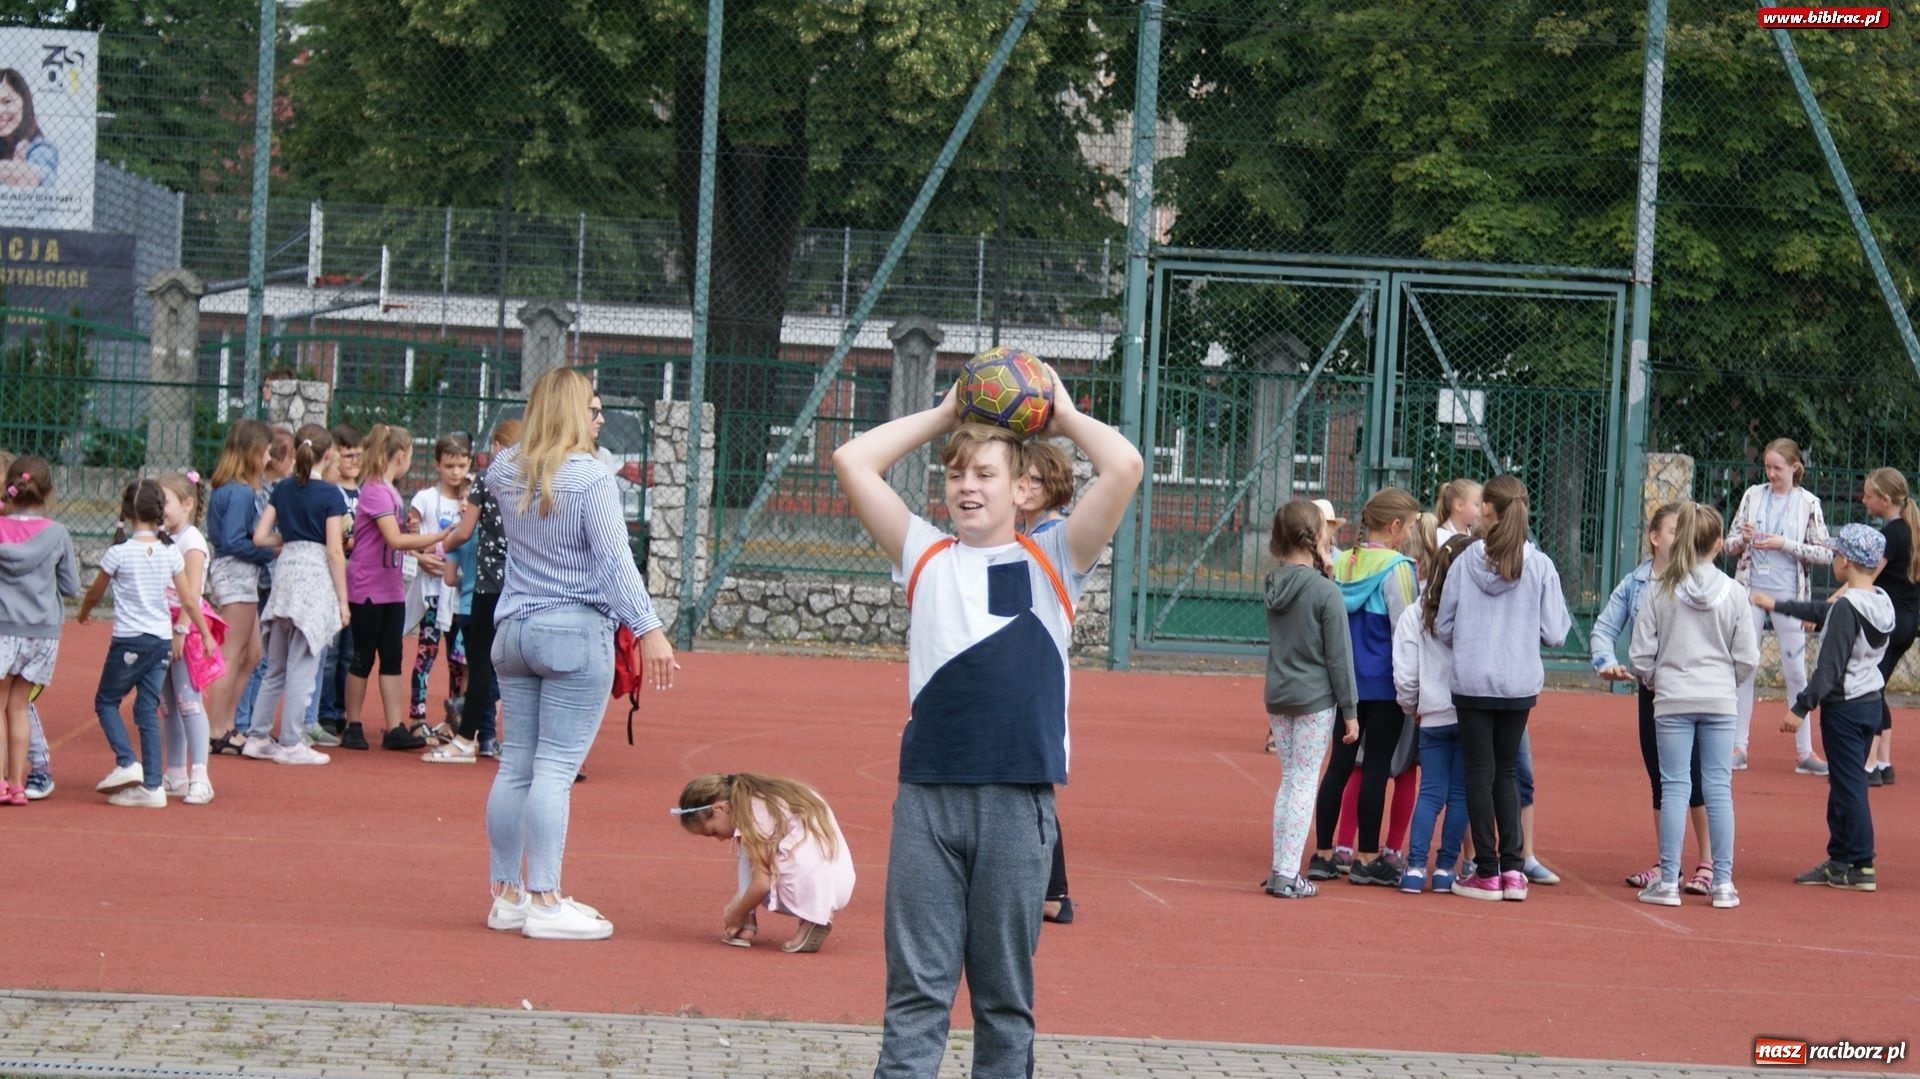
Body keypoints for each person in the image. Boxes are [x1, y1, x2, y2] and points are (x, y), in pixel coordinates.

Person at [833, 361, 1142, 1078]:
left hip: (1015, 800)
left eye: (986, 474)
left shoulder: (1057, 556)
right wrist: (947, 413)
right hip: (927, 801)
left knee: (1003, 1001)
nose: (966, 486)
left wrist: (1059, 413)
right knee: (916, 993)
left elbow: (1122, 465)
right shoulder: (923, 554)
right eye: (955, 475)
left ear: (1024, 486)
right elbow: (852, 459)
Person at [483, 368, 677, 942]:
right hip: (572, 631)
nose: (599, 419)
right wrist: (649, 629)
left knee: (515, 767)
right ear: (571, 414)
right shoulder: (591, 478)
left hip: (513, 630)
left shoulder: (503, 468)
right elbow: (617, 563)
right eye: (591, 409)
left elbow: (520, 457)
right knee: (554, 770)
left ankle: (507, 896)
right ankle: (545, 900)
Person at [1435, 475, 1571, 901]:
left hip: (1474, 679)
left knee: (1479, 770)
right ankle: (1514, 871)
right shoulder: (1540, 564)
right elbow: (1556, 632)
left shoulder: (1464, 561)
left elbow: (1443, 625)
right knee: (1507, 770)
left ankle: (1487, 869)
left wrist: (1473, 636)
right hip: (1517, 681)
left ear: (1487, 510)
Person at [1628, 502, 1755, 909]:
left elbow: (1640, 656)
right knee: (1719, 790)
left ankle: (1668, 881)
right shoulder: (1735, 593)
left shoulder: (1659, 589)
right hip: (1719, 699)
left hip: (1672, 699)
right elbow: (1748, 657)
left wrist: (1658, 680)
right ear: (1719, 544)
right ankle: (1723, 883)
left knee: (1673, 787)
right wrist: (1724, 682)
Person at [1759, 524, 1893, 893]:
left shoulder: (1848, 608)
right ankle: (1841, 860)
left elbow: (1829, 669)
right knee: (1845, 783)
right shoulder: (1880, 600)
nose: (1833, 559)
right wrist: (1777, 605)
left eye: (1836, 554)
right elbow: (1825, 611)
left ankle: (1862, 864)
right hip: (1870, 703)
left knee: (1850, 786)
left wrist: (1800, 708)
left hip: (1845, 709)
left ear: (1846, 561)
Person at [1594, 503, 1715, 893]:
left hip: (1696, 693)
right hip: (1654, 693)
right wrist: (1607, 662)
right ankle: (1669, 866)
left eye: (1686, 529)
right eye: (1674, 529)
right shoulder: (1636, 584)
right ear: (1655, 537)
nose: (1681, 536)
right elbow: (1604, 628)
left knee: (1696, 779)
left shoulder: (1705, 581)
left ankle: (1709, 864)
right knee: (1662, 780)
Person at [77, 481, 215, 808]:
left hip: (129, 640)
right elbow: (190, 599)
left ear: (126, 512)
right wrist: (204, 633)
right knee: (146, 709)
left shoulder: (119, 552)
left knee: (106, 701)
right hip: (161, 642)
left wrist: (84, 611)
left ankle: (127, 762)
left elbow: (96, 592)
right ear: (158, 513)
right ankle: (154, 785)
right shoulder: (170, 552)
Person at [1307, 488, 1418, 886]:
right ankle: (1368, 857)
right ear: (1393, 526)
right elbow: (1406, 628)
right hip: (1385, 683)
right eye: (1407, 527)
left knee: (1338, 765)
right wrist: (1413, 685)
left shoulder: (1344, 562)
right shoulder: (1398, 568)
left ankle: (1323, 853)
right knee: (1376, 768)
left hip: (1345, 682)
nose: (1408, 535)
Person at [1260, 499, 1360, 899]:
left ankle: (1279, 867)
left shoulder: (1273, 584)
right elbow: (1339, 656)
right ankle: (1286, 872)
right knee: (1303, 784)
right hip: (1315, 697)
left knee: (1291, 783)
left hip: (1279, 695)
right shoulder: (1325, 592)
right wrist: (1350, 711)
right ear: (1317, 536)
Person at [244, 424, 351, 767]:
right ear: (329, 453)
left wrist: (291, 539)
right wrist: (343, 601)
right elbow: (335, 551)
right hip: (314, 578)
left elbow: (260, 536)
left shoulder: (283, 488)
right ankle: (290, 741)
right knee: (303, 665)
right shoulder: (332, 495)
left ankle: (258, 736)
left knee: (275, 665)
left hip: (286, 575)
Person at [341, 425, 452, 752]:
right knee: (362, 657)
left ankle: (393, 727)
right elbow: (394, 538)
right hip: (367, 586)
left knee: (392, 655)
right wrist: (439, 537)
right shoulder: (375, 490)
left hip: (389, 586)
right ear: (400, 456)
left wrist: (419, 544)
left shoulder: (388, 490)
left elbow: (400, 539)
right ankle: (353, 724)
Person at [1724, 437, 1831, 774]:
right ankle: (1738, 746)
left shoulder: (1808, 503)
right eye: (1767, 467)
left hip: (1790, 599)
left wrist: (1786, 544)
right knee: (1745, 665)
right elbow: (1728, 546)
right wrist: (1743, 538)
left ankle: (1804, 752)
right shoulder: (1753, 496)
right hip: (1751, 592)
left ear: (1794, 468)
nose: (1771, 473)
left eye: (1777, 468)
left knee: (1796, 671)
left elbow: (1826, 553)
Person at [673, 772, 856, 952]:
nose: (720, 839)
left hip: (811, 884)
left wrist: (736, 913)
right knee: (747, 845)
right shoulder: (771, 796)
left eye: (713, 832)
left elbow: (761, 884)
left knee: (753, 861)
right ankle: (758, 921)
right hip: (840, 882)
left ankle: (813, 917)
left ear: (720, 808)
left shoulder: (754, 813)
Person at [425, 420, 520, 764]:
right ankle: (513, 741)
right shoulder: (534, 480)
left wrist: (444, 543)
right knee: (516, 666)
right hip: (522, 584)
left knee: (481, 663)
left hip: (489, 584)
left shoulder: (490, 479)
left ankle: (466, 738)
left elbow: (464, 532)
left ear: (497, 446)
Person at [1017, 440, 1078, 922]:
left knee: (1032, 782)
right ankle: (1047, 889)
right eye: (1022, 478)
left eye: (1037, 480)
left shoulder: (1054, 536)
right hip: (1024, 666)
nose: (1026, 487)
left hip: (1036, 672)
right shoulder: (1028, 532)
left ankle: (1055, 893)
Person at [1396, 534, 1474, 894]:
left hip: (1432, 715)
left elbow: (1406, 673)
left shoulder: (1416, 612)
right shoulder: (1474, 614)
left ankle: (1414, 867)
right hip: (1469, 711)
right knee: (1460, 794)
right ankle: (1444, 869)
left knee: (1430, 793)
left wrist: (1412, 706)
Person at [0, 455, 78, 805]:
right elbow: (71, 585)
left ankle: (1, 782)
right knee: (18, 708)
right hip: (42, 633)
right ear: (49, 492)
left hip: (4, 627)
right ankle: (18, 784)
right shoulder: (57, 533)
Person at [205, 420, 276, 755]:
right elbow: (233, 540)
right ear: (252, 454)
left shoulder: (231, 489)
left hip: (238, 573)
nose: (268, 460)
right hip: (236, 572)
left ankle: (227, 723)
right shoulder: (241, 492)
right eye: (264, 453)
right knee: (231, 655)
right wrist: (268, 550)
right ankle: (216, 728)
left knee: (253, 654)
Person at [155, 472, 220, 805]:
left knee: (189, 702)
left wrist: (181, 631)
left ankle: (200, 775)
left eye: (164, 501)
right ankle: (176, 772)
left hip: (185, 630)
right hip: (163, 629)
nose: (159, 508)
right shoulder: (166, 537)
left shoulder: (191, 542)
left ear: (187, 503)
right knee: (168, 706)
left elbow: (190, 595)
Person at [407, 434, 473, 732]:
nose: (456, 472)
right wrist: (421, 557)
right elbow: (408, 537)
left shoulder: (472, 499)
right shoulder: (425, 499)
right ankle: (417, 717)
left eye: (461, 465)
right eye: (450, 466)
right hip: (433, 592)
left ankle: (454, 719)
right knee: (426, 653)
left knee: (459, 660)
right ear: (437, 464)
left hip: (462, 595)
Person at [1859, 468, 1917, 786]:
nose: (1864, 500)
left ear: (1884, 499)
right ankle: (1884, 761)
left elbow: (1866, 576)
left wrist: (1829, 605)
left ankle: (1868, 767)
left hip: (1888, 622)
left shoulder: (1892, 534)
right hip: (1908, 622)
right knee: (1877, 688)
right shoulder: (1910, 529)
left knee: (1870, 688)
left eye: (1869, 495)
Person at [0, 69, 58, 188]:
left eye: (7, 102)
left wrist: (20, 173)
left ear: (25, 102)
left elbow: (41, 177)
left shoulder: (40, 147)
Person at [1433, 479, 1483, 545]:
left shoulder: (1475, 535)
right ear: (1459, 505)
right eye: (1477, 505)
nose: (1482, 509)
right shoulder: (1440, 536)